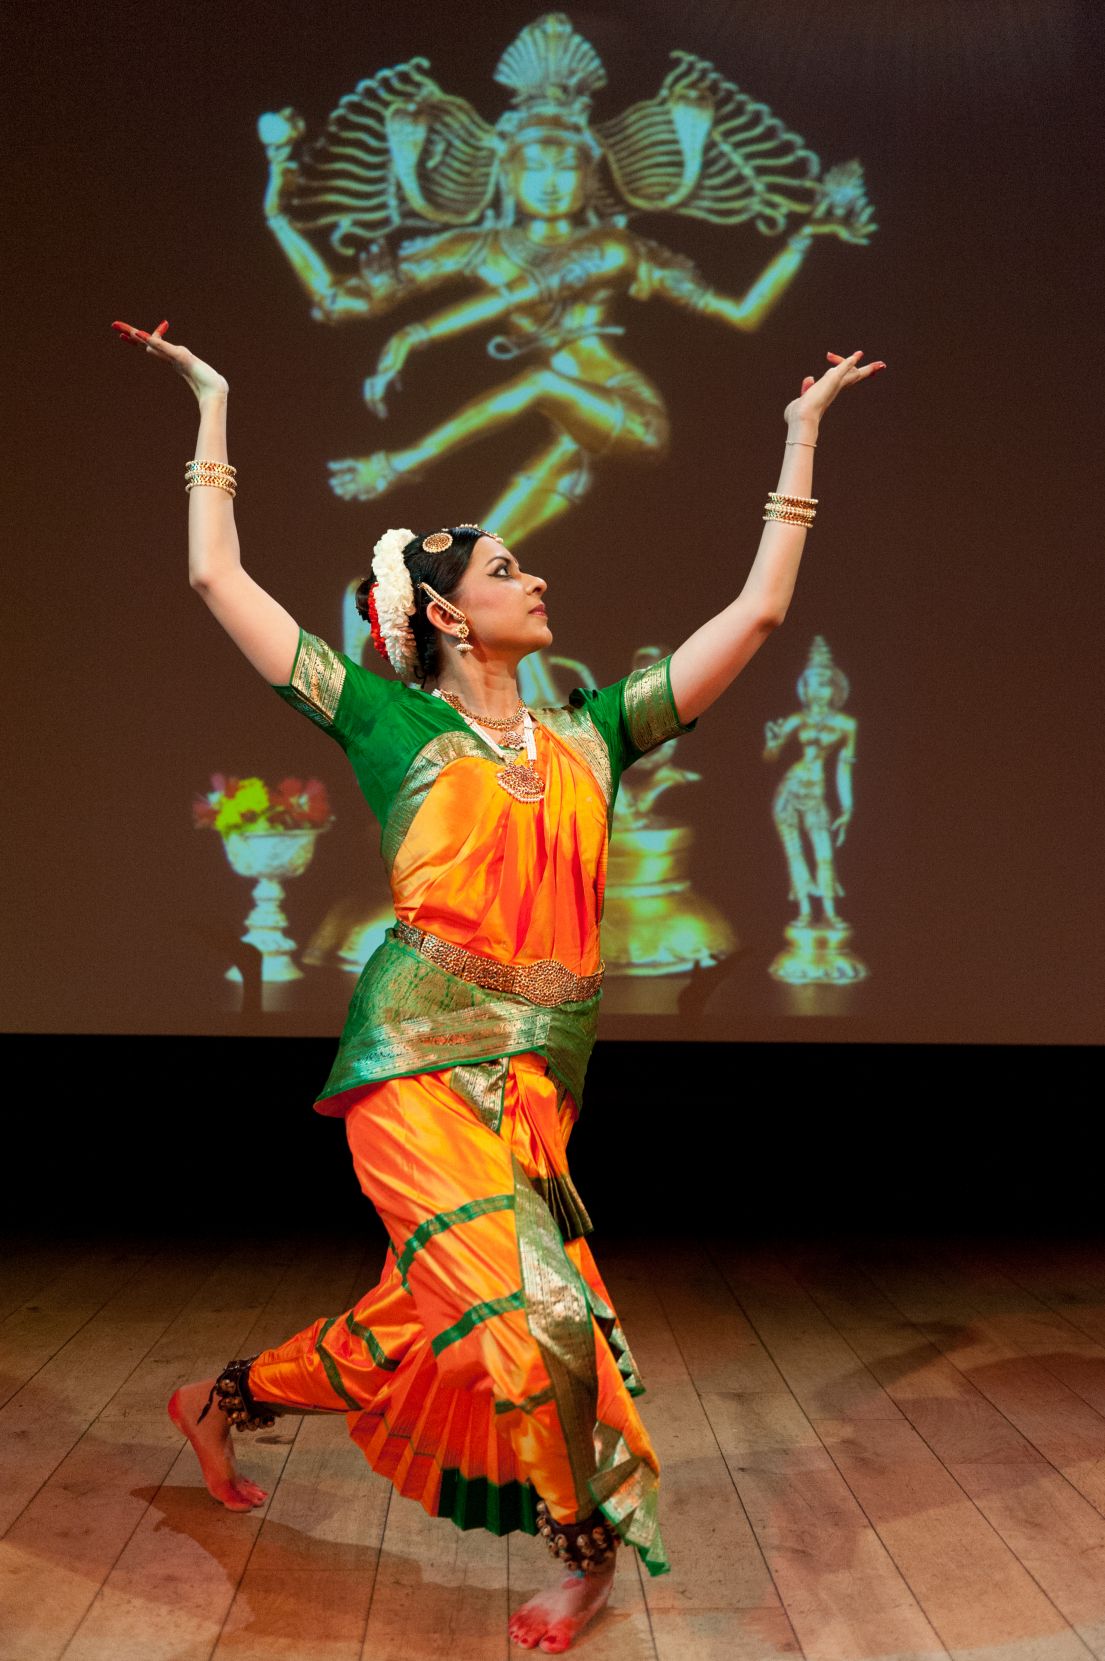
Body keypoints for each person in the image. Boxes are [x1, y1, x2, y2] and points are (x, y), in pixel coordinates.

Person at [111, 314, 884, 1654]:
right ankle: (581, 1547)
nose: (537, 583)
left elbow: (756, 612)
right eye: (509, 569)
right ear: (451, 613)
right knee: (534, 1313)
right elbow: (214, 577)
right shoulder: (384, 717)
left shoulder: (591, 734)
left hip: (535, 1079)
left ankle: (224, 1397)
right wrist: (214, 407)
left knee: (430, 1316)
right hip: (412, 1061)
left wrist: (799, 440)